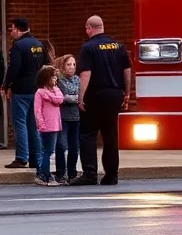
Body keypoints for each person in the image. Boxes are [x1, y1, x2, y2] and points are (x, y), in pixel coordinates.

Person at [70, 15, 132, 186]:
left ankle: (90, 174)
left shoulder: (88, 48)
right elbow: (127, 71)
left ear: (89, 28)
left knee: (87, 134)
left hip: (95, 95)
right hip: (114, 95)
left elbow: (85, 74)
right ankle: (112, 175)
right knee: (111, 135)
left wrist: (80, 97)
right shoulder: (118, 46)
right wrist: (127, 94)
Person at [2, 17, 48, 170]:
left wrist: (6, 85)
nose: (11, 33)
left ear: (17, 29)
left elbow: (14, 68)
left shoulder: (18, 46)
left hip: (21, 90)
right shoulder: (39, 45)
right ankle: (36, 158)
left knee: (19, 123)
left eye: (12, 29)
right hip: (36, 89)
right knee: (33, 125)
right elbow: (45, 66)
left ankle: (22, 157)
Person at [32, 64, 64, 186]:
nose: (55, 79)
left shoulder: (56, 91)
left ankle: (42, 173)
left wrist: (53, 92)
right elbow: (37, 110)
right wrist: (41, 124)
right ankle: (47, 175)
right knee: (47, 151)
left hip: (56, 125)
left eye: (56, 77)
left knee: (49, 151)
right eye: (53, 77)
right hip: (46, 126)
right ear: (46, 78)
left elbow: (60, 99)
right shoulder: (40, 93)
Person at [57, 54, 81, 183]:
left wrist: (74, 98)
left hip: (75, 117)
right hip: (62, 117)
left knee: (74, 146)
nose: (72, 67)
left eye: (74, 64)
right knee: (61, 145)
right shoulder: (59, 80)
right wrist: (71, 98)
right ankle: (60, 173)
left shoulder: (77, 79)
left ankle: (72, 173)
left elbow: (80, 94)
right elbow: (60, 96)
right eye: (68, 64)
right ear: (62, 66)